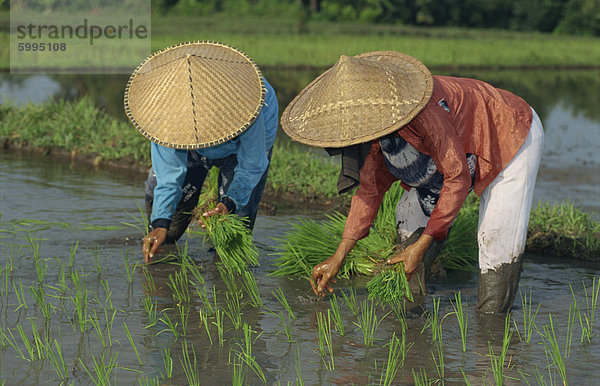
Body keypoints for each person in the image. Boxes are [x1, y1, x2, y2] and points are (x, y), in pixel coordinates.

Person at [280, 51, 543, 314]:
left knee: (495, 240)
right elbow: (369, 192)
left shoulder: (423, 111)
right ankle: (413, 313)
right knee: (407, 217)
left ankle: (492, 329)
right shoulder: (372, 133)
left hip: (509, 135)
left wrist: (425, 241)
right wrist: (338, 257)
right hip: (457, 156)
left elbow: (456, 176)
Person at [124, 41, 278, 263]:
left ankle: (225, 265)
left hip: (239, 149)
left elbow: (252, 163)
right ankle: (163, 234)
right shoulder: (166, 116)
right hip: (190, 149)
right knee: (169, 227)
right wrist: (160, 223)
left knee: (232, 235)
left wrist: (229, 202)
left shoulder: (249, 106)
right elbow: (168, 177)